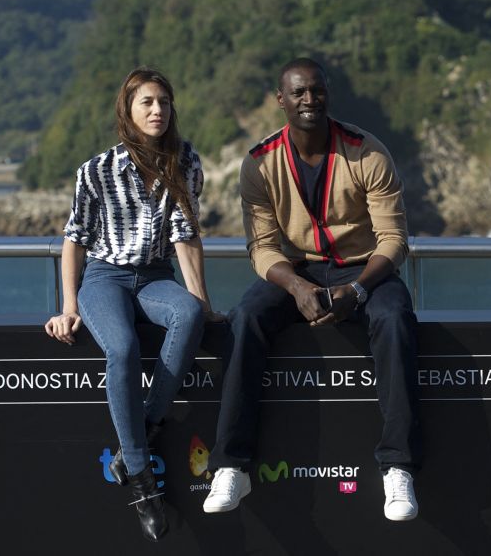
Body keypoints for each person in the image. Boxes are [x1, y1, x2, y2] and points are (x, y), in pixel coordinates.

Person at [203, 58, 421, 521]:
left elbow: (394, 240)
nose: (309, 101)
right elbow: (261, 248)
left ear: (328, 94)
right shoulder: (260, 164)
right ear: (280, 100)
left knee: (394, 319)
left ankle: (397, 467)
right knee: (245, 318)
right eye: (298, 93)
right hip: (298, 270)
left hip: (366, 270)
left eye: (316, 91)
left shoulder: (368, 152)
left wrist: (359, 291)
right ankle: (231, 466)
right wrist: (297, 286)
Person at [44, 67, 222, 541]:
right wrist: (68, 306)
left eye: (164, 101)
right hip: (104, 277)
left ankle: (140, 428)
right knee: (121, 348)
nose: (157, 110)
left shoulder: (185, 161)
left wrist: (201, 300)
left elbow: (186, 235)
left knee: (186, 315)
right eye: (147, 102)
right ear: (128, 110)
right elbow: (74, 240)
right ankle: (142, 483)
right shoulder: (97, 170)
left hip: (156, 278)